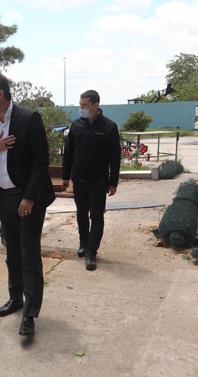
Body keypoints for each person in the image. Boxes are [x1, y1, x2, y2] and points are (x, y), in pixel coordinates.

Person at [0, 72, 55, 336]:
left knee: (29, 254)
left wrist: (29, 197)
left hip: (28, 197)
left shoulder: (28, 118)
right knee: (12, 253)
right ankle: (15, 299)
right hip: (4, 197)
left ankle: (30, 314)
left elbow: (41, 160)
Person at [62, 90, 121, 271]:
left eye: (84, 105)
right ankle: (83, 243)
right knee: (81, 214)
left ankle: (91, 252)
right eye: (80, 105)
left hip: (98, 181)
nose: (81, 108)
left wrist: (113, 182)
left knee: (96, 216)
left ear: (95, 106)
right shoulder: (76, 125)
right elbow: (68, 153)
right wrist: (65, 176)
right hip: (79, 180)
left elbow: (115, 157)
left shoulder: (109, 127)